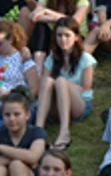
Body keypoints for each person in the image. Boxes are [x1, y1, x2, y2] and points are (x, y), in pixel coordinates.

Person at [34, 18, 94, 151]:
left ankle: (64, 132)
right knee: (49, 81)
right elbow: (44, 86)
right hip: (56, 107)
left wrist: (63, 84)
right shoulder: (52, 58)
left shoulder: (85, 58)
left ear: (76, 37)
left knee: (60, 81)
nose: (63, 39)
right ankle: (38, 132)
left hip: (79, 104)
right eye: (59, 35)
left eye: (67, 35)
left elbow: (86, 89)